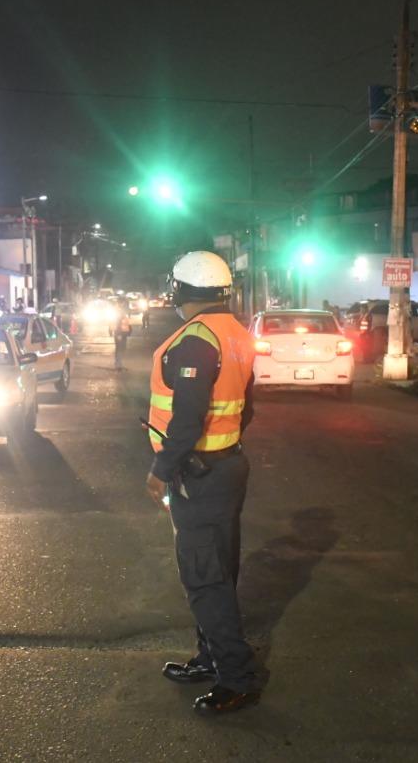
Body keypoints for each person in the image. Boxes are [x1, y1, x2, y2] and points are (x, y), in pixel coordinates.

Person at [145, 250, 261, 717]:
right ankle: (210, 656)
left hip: (200, 473)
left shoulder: (196, 339)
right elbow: (246, 407)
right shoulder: (235, 333)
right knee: (219, 568)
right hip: (227, 465)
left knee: (203, 576)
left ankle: (236, 678)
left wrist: (161, 470)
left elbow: (187, 419)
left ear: (180, 290)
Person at [111, 305, 133, 370]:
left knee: (122, 349)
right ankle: (118, 364)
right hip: (119, 335)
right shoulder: (118, 317)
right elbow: (117, 327)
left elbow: (128, 325)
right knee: (119, 349)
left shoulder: (124, 317)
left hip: (123, 335)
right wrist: (118, 334)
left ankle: (119, 363)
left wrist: (129, 332)